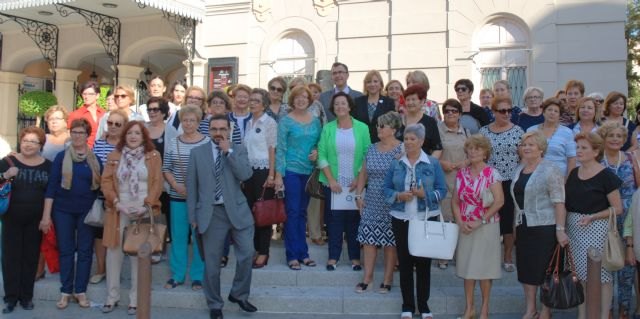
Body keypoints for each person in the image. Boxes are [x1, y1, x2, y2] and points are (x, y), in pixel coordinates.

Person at [187, 114, 257, 319]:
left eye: (222, 129)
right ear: (209, 131)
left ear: (229, 130)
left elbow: (246, 175)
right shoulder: (197, 153)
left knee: (246, 254)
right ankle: (215, 304)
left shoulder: (239, 149)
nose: (218, 133)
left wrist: (229, 153)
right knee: (212, 263)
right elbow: (192, 189)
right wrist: (193, 216)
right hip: (211, 214)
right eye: (214, 129)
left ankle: (239, 294)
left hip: (237, 211)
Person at [384, 123, 447, 319]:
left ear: (421, 141)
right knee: (404, 263)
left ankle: (424, 306)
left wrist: (424, 195)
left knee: (423, 264)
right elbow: (385, 189)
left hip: (425, 219)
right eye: (406, 139)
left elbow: (442, 191)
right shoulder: (396, 163)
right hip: (401, 219)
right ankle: (407, 307)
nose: (409, 142)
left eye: (413, 139)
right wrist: (398, 196)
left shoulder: (432, 163)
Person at [100, 121, 163, 315]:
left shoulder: (153, 156)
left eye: (137, 133)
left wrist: (146, 206)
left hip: (143, 211)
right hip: (119, 210)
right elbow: (106, 182)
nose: (133, 137)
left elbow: (157, 183)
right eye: (130, 133)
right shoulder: (114, 156)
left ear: (144, 136)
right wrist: (118, 203)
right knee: (114, 254)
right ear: (124, 136)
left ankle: (135, 300)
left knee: (138, 256)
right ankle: (112, 297)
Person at [40, 118, 102, 309]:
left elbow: (99, 187)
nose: (77, 136)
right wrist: (46, 216)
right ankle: (65, 291)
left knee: (84, 252)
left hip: (86, 212)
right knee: (66, 251)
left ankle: (80, 291)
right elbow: (51, 188)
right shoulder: (61, 157)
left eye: (81, 132)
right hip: (62, 211)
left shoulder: (95, 159)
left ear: (87, 135)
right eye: (74, 132)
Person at [510, 131, 568, 319]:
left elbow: (559, 201)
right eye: (524, 144)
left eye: (531, 145)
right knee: (526, 269)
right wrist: (514, 227)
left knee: (545, 270)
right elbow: (518, 201)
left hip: (545, 227)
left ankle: (545, 310)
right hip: (523, 226)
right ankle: (530, 309)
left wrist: (560, 230)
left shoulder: (551, 169)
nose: (526, 148)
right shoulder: (519, 169)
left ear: (541, 148)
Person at [565, 132, 623, 319]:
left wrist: (594, 217)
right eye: (578, 147)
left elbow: (618, 208)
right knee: (581, 277)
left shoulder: (606, 175)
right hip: (574, 229)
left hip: (597, 229)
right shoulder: (574, 173)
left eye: (584, 148)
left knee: (602, 277)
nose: (579, 151)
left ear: (596, 151)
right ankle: (583, 315)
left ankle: (604, 315)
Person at [318, 92, 371, 272]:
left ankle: (355, 257)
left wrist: (358, 178)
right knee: (333, 221)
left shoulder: (362, 128)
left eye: (343, 103)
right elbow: (322, 155)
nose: (340, 107)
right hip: (333, 183)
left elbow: (367, 155)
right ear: (333, 108)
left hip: (356, 183)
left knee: (354, 221)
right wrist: (331, 180)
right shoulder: (328, 129)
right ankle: (333, 257)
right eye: (336, 104)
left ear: (349, 107)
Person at [452, 134, 504, 319]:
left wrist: (480, 220)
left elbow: (499, 202)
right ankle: (469, 309)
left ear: (485, 152)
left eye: (478, 148)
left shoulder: (492, 173)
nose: (473, 151)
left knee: (484, 270)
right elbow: (455, 201)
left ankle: (484, 310)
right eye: (471, 148)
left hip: (486, 226)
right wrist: (460, 221)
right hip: (466, 225)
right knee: (467, 269)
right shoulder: (462, 173)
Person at [0, 127, 51, 313]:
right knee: (10, 258)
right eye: (25, 141)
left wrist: (46, 217)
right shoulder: (8, 161)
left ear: (41, 145)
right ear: (20, 142)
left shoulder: (48, 165)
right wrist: (5, 175)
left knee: (30, 258)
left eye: (33, 141)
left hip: (35, 220)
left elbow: (50, 194)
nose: (29, 144)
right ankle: (11, 298)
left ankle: (26, 297)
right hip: (11, 218)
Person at [274, 85, 322, 270]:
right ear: (292, 100)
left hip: (309, 172)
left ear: (309, 100)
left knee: (302, 213)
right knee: (293, 212)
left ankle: (304, 253)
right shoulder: (285, 121)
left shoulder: (316, 121)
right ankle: (292, 255)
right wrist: (279, 175)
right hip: (291, 172)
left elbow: (320, 143)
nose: (301, 99)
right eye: (297, 97)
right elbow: (281, 149)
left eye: (304, 97)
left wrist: (317, 152)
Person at [355, 111, 403, 294]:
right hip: (372, 199)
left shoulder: (402, 149)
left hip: (393, 201)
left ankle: (388, 279)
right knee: (368, 240)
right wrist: (359, 196)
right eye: (378, 126)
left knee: (391, 243)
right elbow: (363, 173)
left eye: (382, 126)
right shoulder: (371, 148)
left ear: (393, 129)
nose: (378, 129)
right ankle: (367, 278)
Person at [162, 105, 209, 290]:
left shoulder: (206, 142)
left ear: (198, 122)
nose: (188, 123)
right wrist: (175, 185)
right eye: (185, 120)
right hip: (177, 196)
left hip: (199, 199)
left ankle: (197, 276)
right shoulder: (174, 142)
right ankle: (177, 274)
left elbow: (210, 170)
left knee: (198, 237)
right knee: (178, 236)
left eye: (192, 120)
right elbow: (166, 168)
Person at [597, 122, 640, 318]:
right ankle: (607, 308)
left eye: (619, 136)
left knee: (627, 265)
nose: (615, 139)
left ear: (624, 140)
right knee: (606, 265)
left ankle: (624, 307)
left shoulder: (632, 159)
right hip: (604, 217)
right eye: (611, 135)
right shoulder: (597, 160)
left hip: (629, 219)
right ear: (604, 138)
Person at [479, 96, 524, 272]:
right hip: (489, 181)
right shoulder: (484, 131)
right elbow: (479, 154)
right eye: (502, 110)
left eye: (509, 110)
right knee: (488, 217)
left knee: (507, 221)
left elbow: (523, 156)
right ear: (494, 112)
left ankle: (507, 256)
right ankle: (489, 255)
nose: (506, 114)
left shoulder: (518, 131)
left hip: (510, 181)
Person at [90, 109, 129, 285]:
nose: (113, 127)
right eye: (110, 123)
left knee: (118, 233)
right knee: (99, 233)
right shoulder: (98, 144)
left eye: (117, 124)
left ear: (124, 127)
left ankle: (116, 271)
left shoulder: (129, 146)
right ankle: (101, 269)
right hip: (100, 193)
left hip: (122, 196)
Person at [243, 88, 278, 269]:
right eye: (251, 100)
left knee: (263, 213)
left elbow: (273, 149)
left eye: (256, 100)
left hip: (264, 172)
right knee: (251, 213)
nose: (252, 103)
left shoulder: (269, 122)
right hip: (249, 173)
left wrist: (271, 175)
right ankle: (255, 249)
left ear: (264, 104)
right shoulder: (249, 122)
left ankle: (264, 252)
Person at [437, 99, 470, 269]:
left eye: (454, 111)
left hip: (462, 179)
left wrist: (466, 162)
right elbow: (431, 153)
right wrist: (442, 163)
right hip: (443, 178)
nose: (450, 113)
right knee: (445, 218)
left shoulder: (466, 132)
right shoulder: (437, 130)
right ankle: (443, 255)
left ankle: (460, 256)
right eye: (447, 111)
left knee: (460, 218)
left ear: (460, 114)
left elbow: (473, 153)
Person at [526, 98, 577, 177]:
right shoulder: (531, 130)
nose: (552, 113)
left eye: (556, 111)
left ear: (559, 115)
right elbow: (525, 156)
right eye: (549, 110)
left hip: (559, 179)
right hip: (534, 177)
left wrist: (569, 180)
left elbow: (571, 159)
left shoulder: (567, 133)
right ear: (543, 112)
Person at [145, 97, 172, 245]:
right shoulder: (142, 128)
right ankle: (147, 245)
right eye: (150, 109)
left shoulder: (170, 130)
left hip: (163, 183)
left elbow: (173, 157)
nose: (152, 112)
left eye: (156, 109)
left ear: (163, 112)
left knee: (162, 215)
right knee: (146, 216)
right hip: (144, 182)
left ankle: (161, 246)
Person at [400, 84, 442, 157]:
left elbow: (438, 148)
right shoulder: (398, 121)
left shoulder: (430, 122)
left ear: (422, 101)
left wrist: (428, 164)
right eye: (407, 100)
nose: (410, 103)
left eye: (413, 99)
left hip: (424, 165)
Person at [353, 70, 395, 143]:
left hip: (382, 143)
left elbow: (392, 125)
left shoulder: (388, 102)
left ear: (381, 84)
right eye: (369, 82)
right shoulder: (358, 102)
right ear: (365, 85)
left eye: (375, 81)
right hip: (361, 142)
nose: (372, 84)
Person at [67, 81, 105, 148]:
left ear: (97, 95)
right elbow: (69, 136)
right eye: (84, 94)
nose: (86, 97)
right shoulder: (76, 114)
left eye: (90, 94)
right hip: (84, 151)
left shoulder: (104, 114)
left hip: (102, 151)